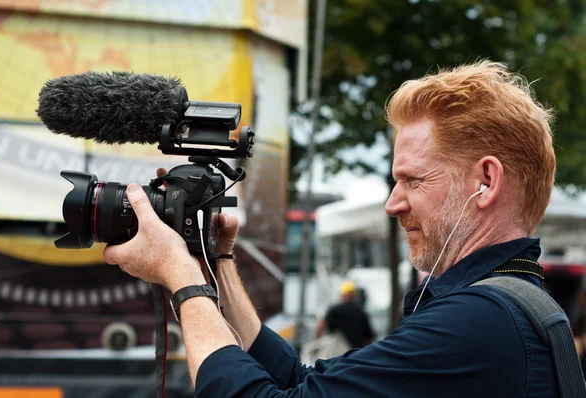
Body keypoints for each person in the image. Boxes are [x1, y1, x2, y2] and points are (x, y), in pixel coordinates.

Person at [103, 60, 565, 397]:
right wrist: (216, 265)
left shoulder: (478, 324)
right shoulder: (506, 309)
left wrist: (179, 277)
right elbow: (301, 385)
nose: (392, 203)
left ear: (485, 181)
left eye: (413, 179)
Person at [314, 280, 375, 350]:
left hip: (336, 354)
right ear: (354, 295)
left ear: (342, 294)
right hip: (355, 354)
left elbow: (320, 327)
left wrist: (316, 347)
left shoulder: (334, 310)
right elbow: (368, 339)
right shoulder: (361, 312)